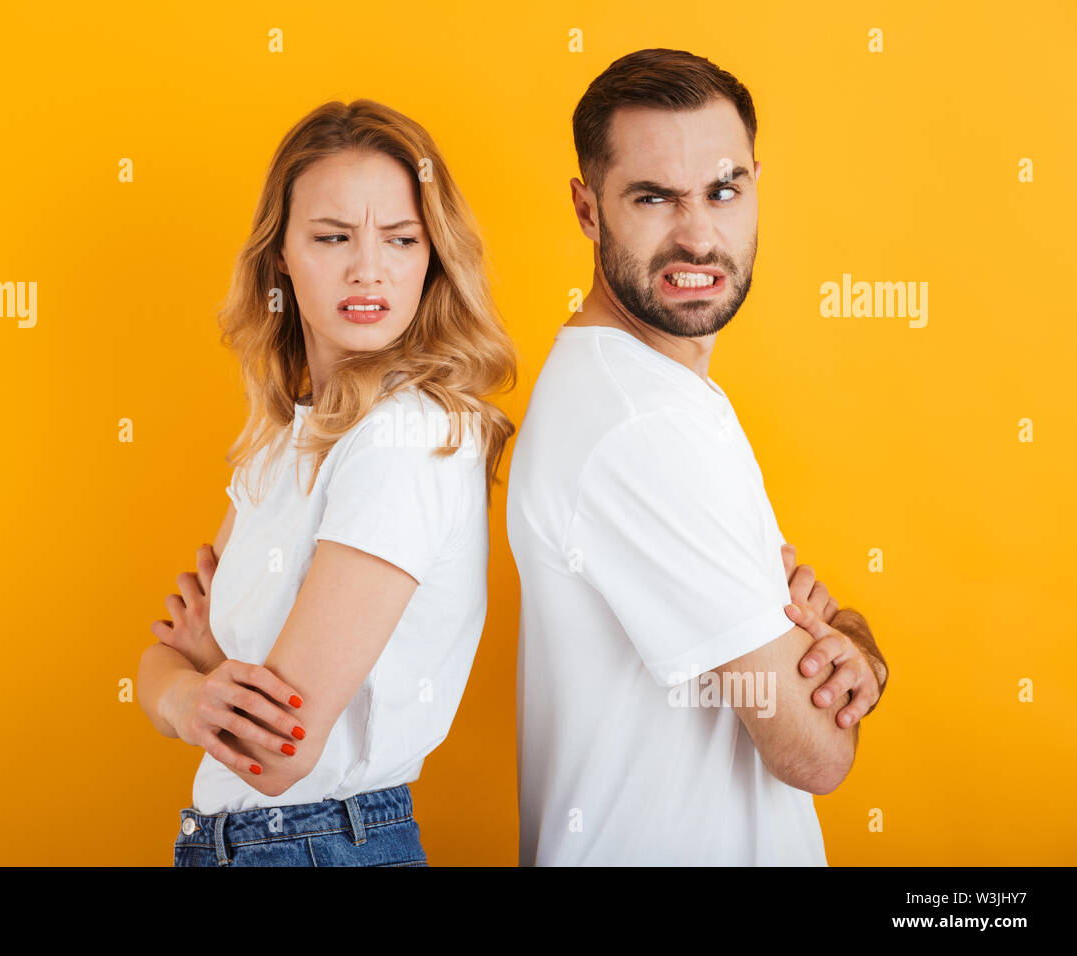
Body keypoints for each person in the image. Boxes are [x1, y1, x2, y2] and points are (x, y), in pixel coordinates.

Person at [508, 49, 890, 865]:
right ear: (587, 208)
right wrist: (839, 661)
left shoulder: (649, 392)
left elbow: (793, 665)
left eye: (724, 191)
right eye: (654, 197)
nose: (698, 236)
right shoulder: (639, 424)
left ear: (756, 183)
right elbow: (813, 753)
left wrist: (842, 637)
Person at [136, 99, 517, 867]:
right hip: (247, 845)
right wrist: (189, 691)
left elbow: (273, 747)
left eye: (401, 240)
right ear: (281, 255)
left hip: (316, 844)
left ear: (432, 258)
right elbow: (160, 662)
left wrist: (195, 685)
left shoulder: (407, 438)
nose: (367, 269)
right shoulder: (283, 441)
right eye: (332, 237)